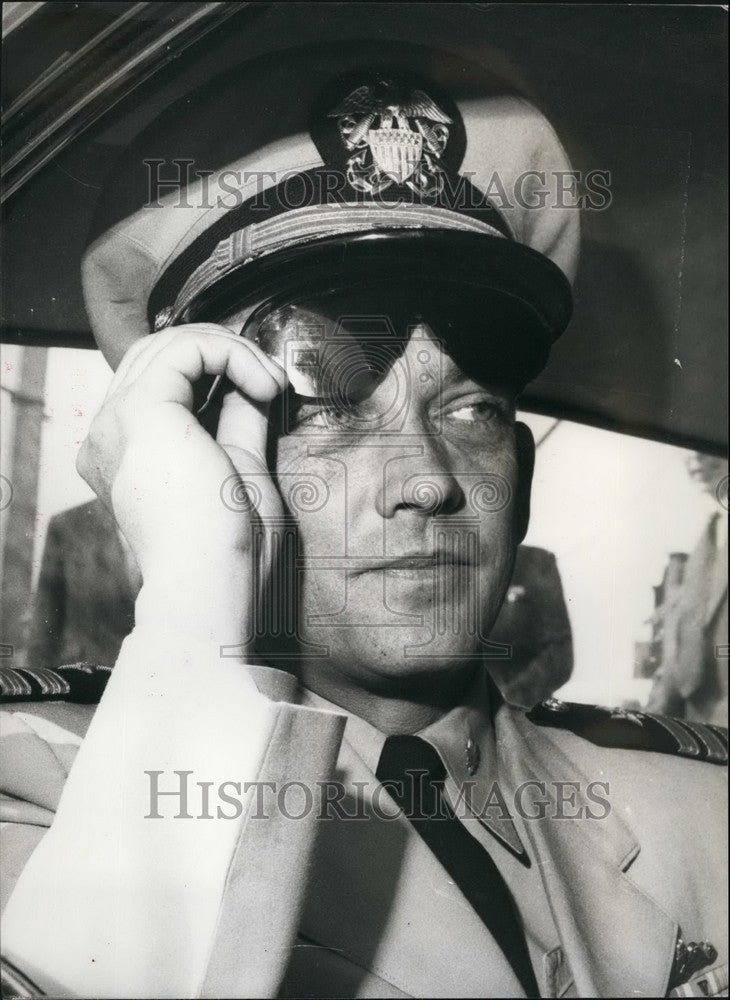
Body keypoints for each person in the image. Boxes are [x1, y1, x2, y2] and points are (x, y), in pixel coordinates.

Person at [1, 48, 726, 1000]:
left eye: (473, 413)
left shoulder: (703, 814)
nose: (427, 481)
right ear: (208, 461)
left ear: (526, 475)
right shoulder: (51, 797)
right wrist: (194, 602)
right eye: (330, 412)